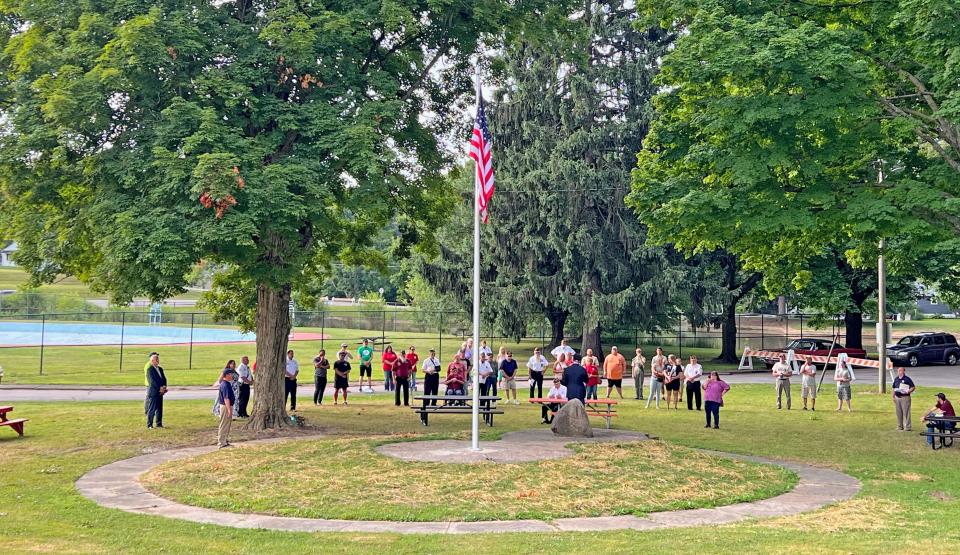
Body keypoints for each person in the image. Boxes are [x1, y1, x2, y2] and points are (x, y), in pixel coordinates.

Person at [145, 353, 167, 429]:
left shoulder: (160, 369)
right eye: (156, 359)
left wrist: (164, 387)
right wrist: (159, 388)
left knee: (159, 409)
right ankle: (149, 425)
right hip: (153, 392)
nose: (158, 360)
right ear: (152, 361)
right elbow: (152, 382)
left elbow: (164, 379)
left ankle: (159, 424)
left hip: (160, 393)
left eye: (158, 359)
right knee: (152, 409)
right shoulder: (150, 370)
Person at [892, 367, 916, 431]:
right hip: (897, 398)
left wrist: (908, 391)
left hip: (905, 397)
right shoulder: (896, 379)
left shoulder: (907, 379)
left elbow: (913, 387)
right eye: (898, 370)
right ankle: (900, 426)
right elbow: (894, 388)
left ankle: (908, 427)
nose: (899, 372)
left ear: (903, 371)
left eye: (900, 370)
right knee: (898, 412)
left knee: (906, 412)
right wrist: (893, 396)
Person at [216, 369, 235, 448]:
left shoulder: (226, 383)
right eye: (230, 374)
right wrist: (229, 410)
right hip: (225, 406)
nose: (232, 376)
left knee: (227, 424)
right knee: (224, 424)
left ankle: (225, 440)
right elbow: (226, 398)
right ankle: (221, 442)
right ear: (226, 375)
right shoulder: (225, 385)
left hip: (226, 406)